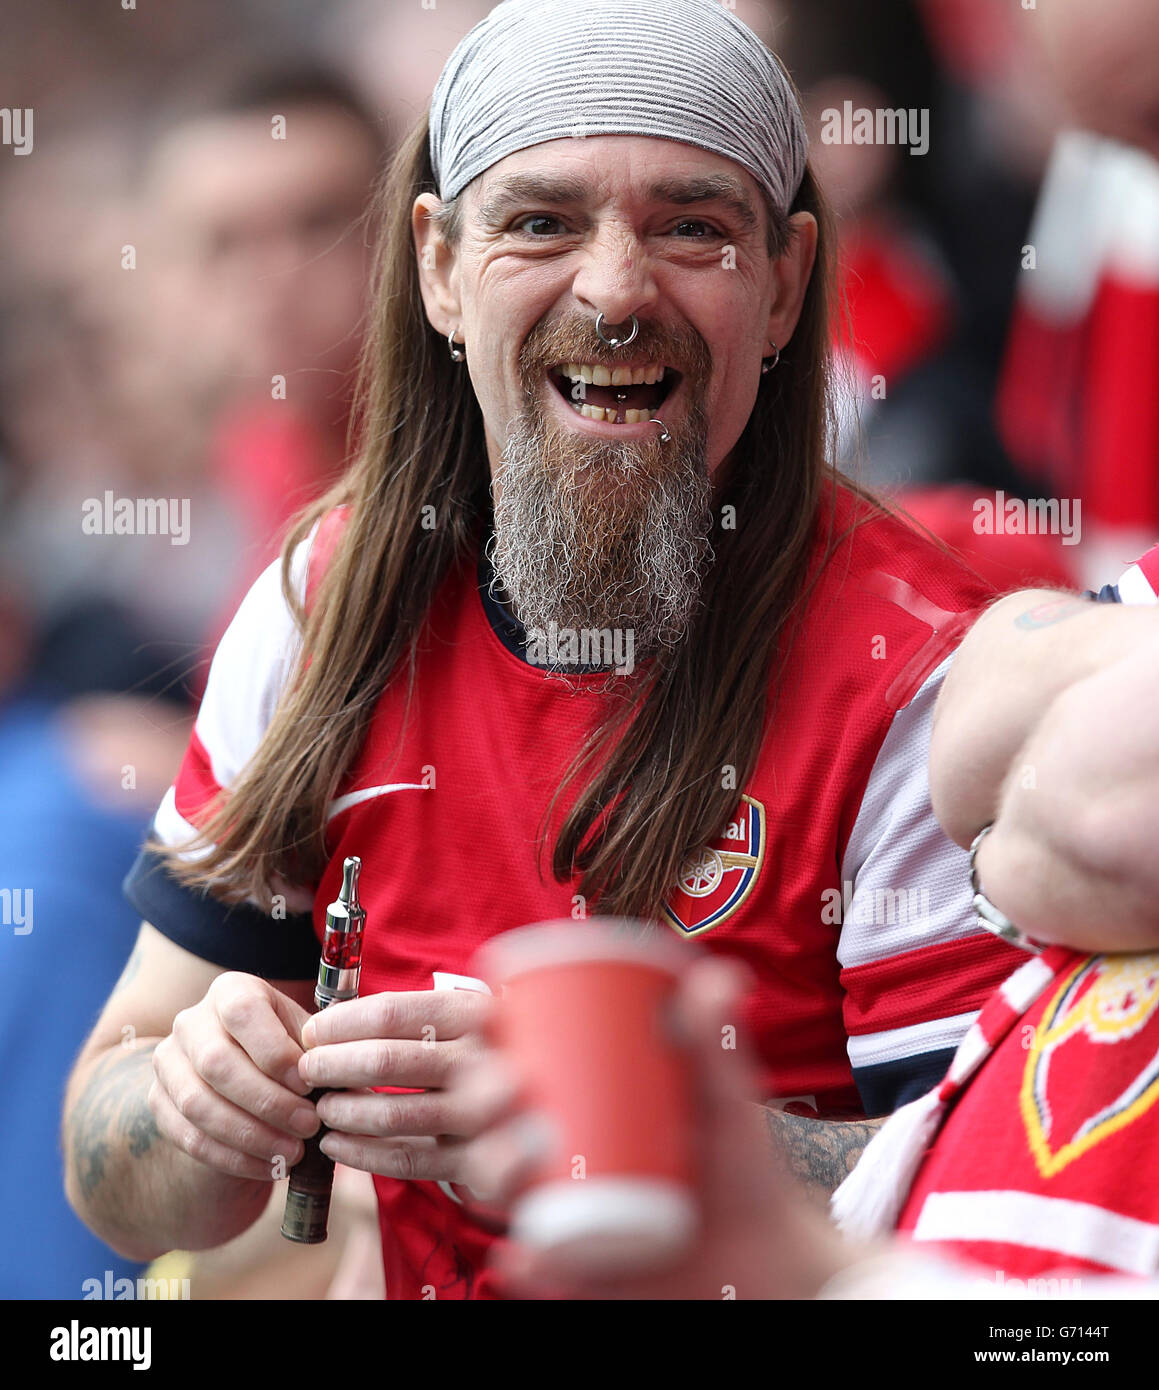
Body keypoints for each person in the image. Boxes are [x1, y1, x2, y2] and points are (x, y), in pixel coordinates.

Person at [63, 0, 1024, 1300]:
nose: (617, 287)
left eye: (693, 226)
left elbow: (1002, 1190)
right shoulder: (323, 600)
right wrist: (196, 1105)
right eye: (541, 222)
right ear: (440, 268)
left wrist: (599, 1118)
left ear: (787, 280)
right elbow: (108, 1172)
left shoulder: (915, 674)